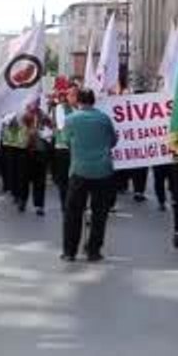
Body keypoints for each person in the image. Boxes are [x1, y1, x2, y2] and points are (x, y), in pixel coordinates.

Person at [61, 88, 118, 262]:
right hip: (102, 171)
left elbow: (65, 140)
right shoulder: (104, 118)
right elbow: (113, 141)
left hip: (79, 170)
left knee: (73, 213)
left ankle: (70, 251)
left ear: (78, 101)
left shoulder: (71, 119)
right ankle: (94, 251)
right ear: (93, 101)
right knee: (99, 213)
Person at [51, 83, 78, 214]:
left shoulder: (80, 109)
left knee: (76, 178)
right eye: (71, 94)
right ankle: (65, 204)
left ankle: (75, 203)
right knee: (63, 179)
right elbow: (62, 126)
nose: (73, 97)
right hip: (63, 148)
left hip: (77, 149)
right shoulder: (61, 108)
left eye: (76, 94)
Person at [23, 101, 52, 217]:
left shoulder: (43, 115)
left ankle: (39, 205)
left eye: (36, 102)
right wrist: (27, 132)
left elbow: (50, 130)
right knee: (24, 178)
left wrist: (40, 132)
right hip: (25, 150)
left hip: (40, 150)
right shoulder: (23, 114)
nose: (33, 104)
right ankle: (22, 199)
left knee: (40, 180)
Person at [0, 109, 28, 210]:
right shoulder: (8, 107)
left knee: (22, 172)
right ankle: (15, 193)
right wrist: (10, 119)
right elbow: (3, 120)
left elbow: (29, 119)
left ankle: (22, 198)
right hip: (10, 143)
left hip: (22, 143)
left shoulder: (26, 106)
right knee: (12, 170)